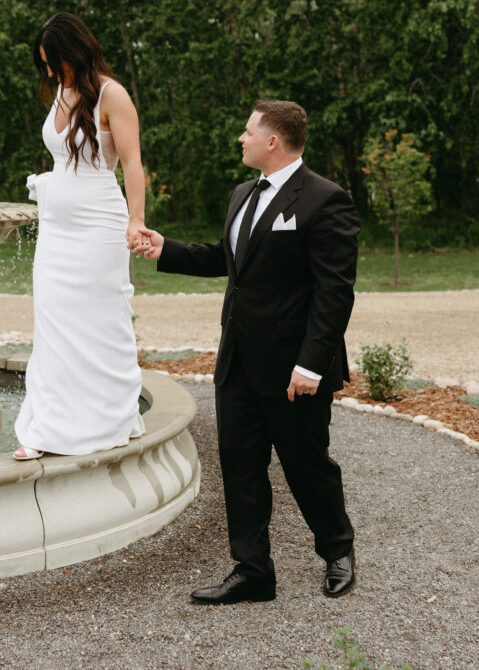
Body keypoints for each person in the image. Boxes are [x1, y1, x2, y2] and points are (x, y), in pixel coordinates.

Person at [132, 99, 359, 603]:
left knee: (306, 465)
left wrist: (310, 364)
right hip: (237, 360)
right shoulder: (241, 194)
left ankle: (338, 549)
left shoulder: (326, 200)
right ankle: (253, 570)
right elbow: (227, 259)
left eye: (248, 131)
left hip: (293, 369)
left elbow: (334, 292)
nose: (241, 138)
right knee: (240, 466)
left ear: (273, 141)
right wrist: (164, 247)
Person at [14, 12, 147, 459]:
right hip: (56, 228)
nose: (50, 72)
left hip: (99, 225)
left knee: (98, 321)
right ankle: (49, 426)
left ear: (75, 51)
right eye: (45, 64)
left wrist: (136, 220)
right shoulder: (60, 92)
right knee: (53, 321)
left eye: (54, 62)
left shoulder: (112, 95)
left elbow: (131, 163)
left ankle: (111, 415)